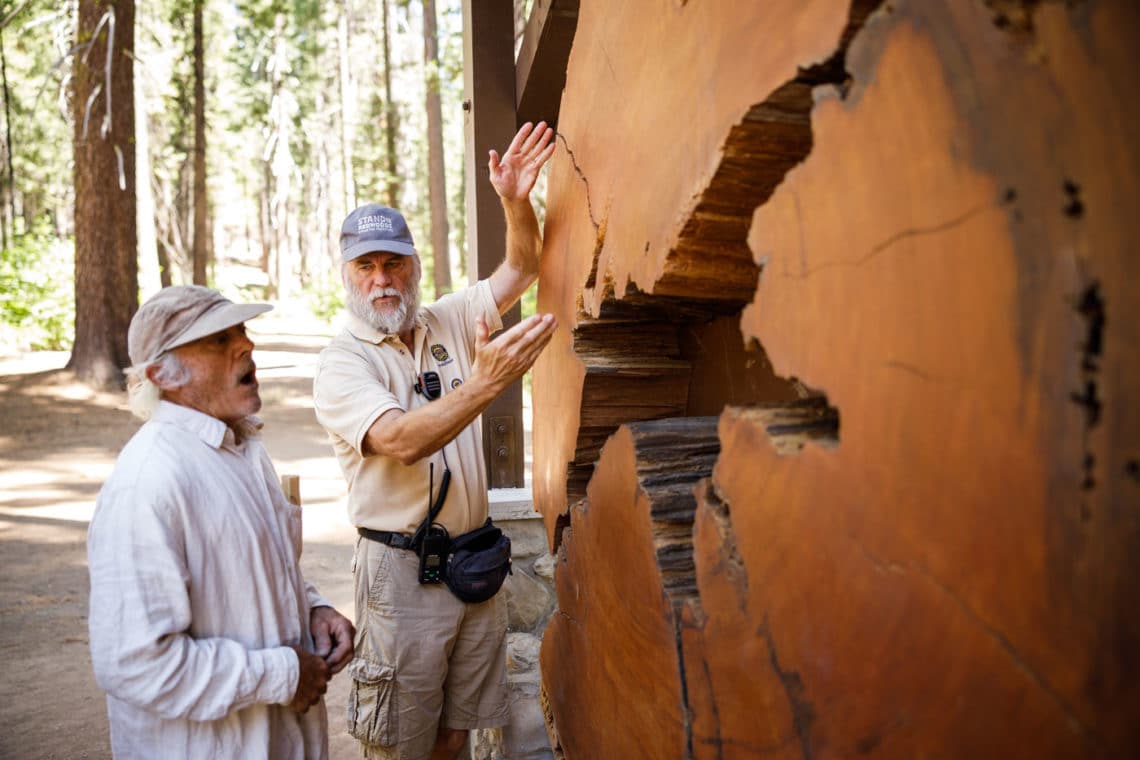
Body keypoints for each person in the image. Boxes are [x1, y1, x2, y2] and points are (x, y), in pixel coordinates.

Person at [312, 121, 558, 759]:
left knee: (456, 737)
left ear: (414, 265)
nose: (382, 277)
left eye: (394, 261)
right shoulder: (343, 363)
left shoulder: (448, 315)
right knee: (400, 746)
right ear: (347, 275)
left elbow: (523, 266)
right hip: (400, 574)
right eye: (366, 265)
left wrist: (513, 200)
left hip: (473, 560)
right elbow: (397, 439)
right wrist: (484, 385)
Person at [87, 285, 355, 759]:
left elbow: (257, 570)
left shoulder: (242, 450)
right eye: (217, 339)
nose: (245, 345)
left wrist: (312, 609)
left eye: (241, 330)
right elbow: (135, 665)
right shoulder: (148, 483)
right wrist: (283, 675)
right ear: (163, 374)